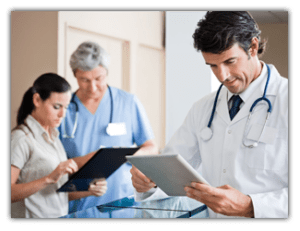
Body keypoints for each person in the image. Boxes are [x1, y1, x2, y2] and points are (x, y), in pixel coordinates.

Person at [130, 11, 288, 218]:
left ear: (253, 47)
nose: (223, 76)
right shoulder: (204, 108)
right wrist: (149, 181)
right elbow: (173, 170)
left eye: (230, 62)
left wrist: (252, 205)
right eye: (213, 65)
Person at [58, 41, 158, 213]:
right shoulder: (63, 110)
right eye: (85, 80)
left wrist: (127, 156)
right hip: (79, 207)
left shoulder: (128, 102)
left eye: (99, 78)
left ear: (106, 73)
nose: (93, 87)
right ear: (75, 75)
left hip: (121, 203)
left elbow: (151, 147)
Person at [11, 73, 108, 218]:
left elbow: (55, 195)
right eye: (57, 107)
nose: (62, 114)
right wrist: (48, 178)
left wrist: (90, 191)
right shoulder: (20, 139)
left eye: (66, 107)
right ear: (37, 100)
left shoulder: (54, 139)